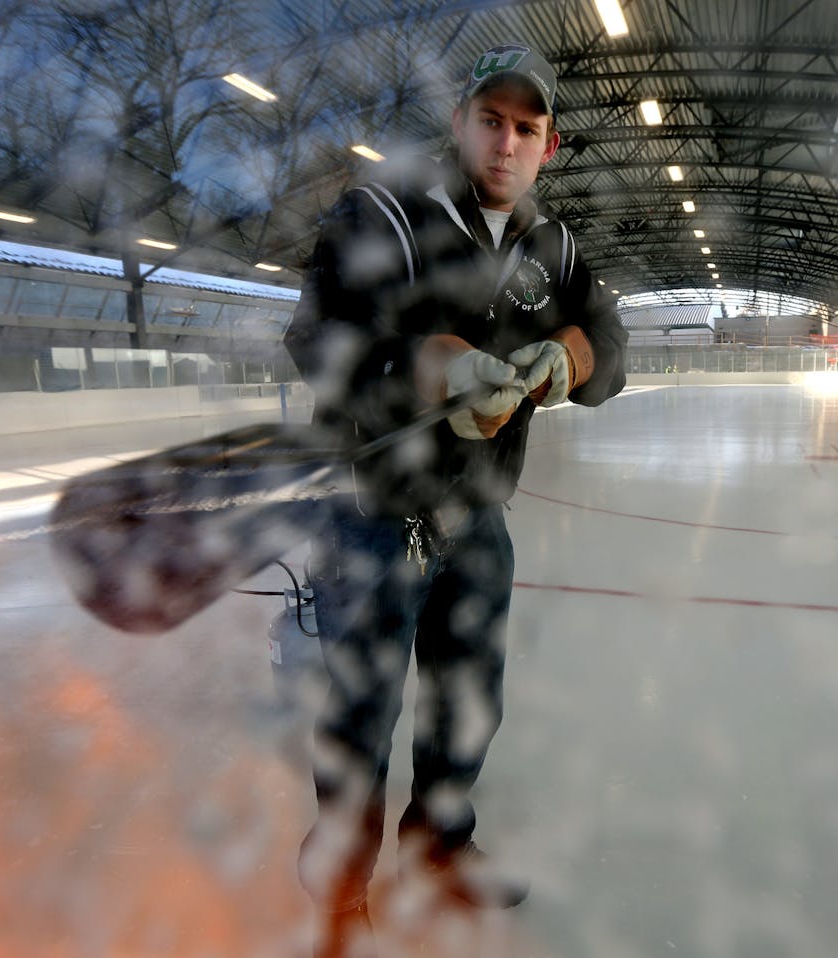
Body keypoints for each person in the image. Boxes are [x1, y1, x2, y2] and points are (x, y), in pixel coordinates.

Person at [282, 42, 628, 956]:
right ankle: (340, 884)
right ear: (459, 123)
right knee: (363, 714)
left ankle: (438, 850)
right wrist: (436, 367)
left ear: (549, 146)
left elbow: (608, 339)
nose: (506, 143)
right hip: (373, 513)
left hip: (477, 516)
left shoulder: (552, 249)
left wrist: (571, 361)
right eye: (491, 121)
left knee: (466, 701)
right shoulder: (384, 215)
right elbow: (320, 332)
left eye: (527, 128)